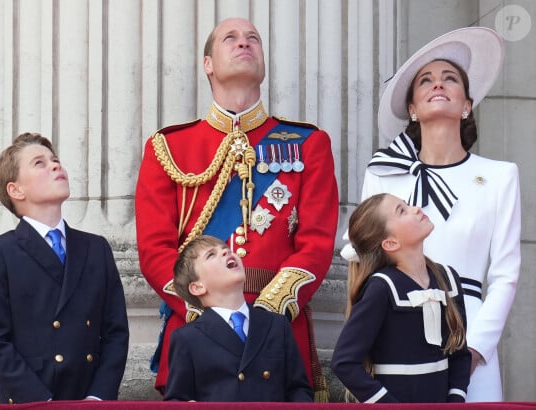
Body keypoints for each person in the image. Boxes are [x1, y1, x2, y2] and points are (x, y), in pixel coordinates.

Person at [135, 17, 338, 399]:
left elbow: (316, 241)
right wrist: (204, 312)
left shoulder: (308, 143)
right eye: (231, 38)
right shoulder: (168, 148)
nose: (244, 43)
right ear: (208, 64)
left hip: (278, 330)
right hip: (197, 331)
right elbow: (154, 250)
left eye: (253, 39)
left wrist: (266, 314)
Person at [361, 27, 521, 401]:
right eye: (426, 80)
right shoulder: (383, 174)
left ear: (466, 104)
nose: (438, 84)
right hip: (397, 324)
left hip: (469, 328)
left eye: (450, 79)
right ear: (412, 109)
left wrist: (476, 348)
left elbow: (505, 273)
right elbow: (364, 259)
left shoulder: (500, 176)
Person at [0, 133, 130, 404]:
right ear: (16, 190)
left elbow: (116, 332)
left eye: (55, 160)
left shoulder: (96, 248)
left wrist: (98, 397)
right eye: (40, 163)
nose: (56, 166)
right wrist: (39, 401)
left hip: (87, 400)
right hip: (29, 402)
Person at [332, 193, 471, 403]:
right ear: (390, 243)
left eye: (406, 204)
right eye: (402, 210)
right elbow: (344, 362)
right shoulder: (382, 288)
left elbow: (459, 353)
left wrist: (455, 399)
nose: (415, 208)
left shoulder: (448, 279)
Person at [164, 235, 313, 402]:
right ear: (198, 287)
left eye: (226, 249)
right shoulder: (187, 338)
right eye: (211, 255)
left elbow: (297, 389)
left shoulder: (277, 325)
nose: (226, 251)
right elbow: (177, 399)